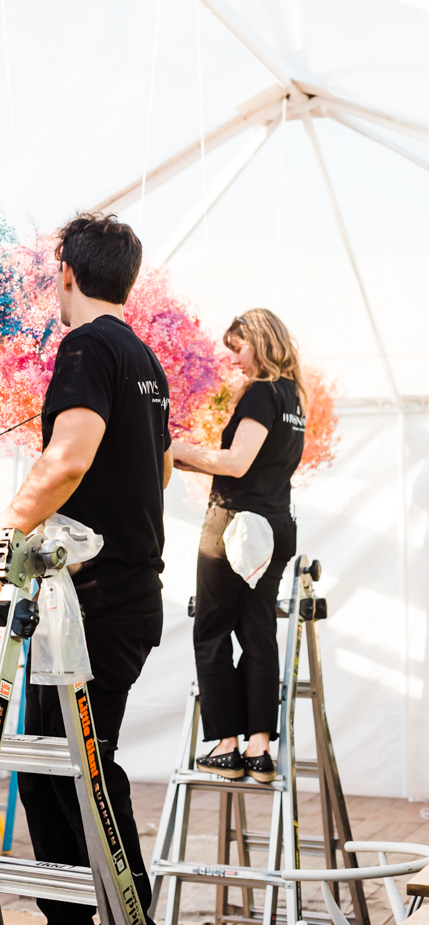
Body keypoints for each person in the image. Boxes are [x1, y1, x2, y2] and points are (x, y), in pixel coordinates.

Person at [0, 213, 172, 925]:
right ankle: (99, 915)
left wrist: (2, 537)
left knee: (69, 772)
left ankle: (105, 917)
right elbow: (162, 471)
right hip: (126, 592)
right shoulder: (145, 359)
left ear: (69, 274)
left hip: (97, 601)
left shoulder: (86, 346)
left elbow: (68, 457)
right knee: (67, 769)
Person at [171, 309, 305, 784]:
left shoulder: (262, 393)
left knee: (211, 631)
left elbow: (236, 462)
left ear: (262, 342)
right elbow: (260, 466)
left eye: (239, 349)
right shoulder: (293, 399)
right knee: (257, 630)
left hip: (235, 527)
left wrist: (176, 450)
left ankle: (227, 746)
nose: (234, 361)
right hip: (276, 525)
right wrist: (195, 464)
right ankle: (260, 749)